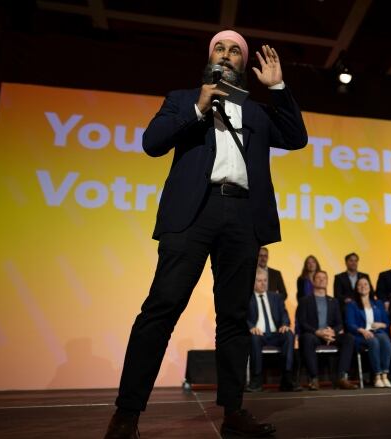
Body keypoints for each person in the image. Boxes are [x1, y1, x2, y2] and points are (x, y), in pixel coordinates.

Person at [105, 30, 308, 439]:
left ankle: (233, 410)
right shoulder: (181, 98)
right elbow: (152, 144)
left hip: (242, 216)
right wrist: (197, 109)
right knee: (161, 309)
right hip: (193, 214)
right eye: (221, 47)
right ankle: (126, 413)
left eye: (236, 50)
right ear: (209, 55)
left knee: (233, 318)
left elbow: (297, 138)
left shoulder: (256, 111)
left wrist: (280, 88)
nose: (228, 54)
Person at [295, 271, 358, 390]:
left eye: (324, 278)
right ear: (313, 281)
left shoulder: (333, 301)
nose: (321, 280)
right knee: (307, 338)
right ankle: (314, 379)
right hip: (313, 335)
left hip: (330, 336)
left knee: (349, 338)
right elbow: (302, 322)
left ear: (327, 281)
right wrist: (318, 332)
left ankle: (342, 377)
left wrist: (332, 331)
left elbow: (340, 323)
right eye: (318, 278)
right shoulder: (305, 300)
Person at [246, 269, 299, 392]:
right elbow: (243, 317)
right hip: (258, 334)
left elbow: (284, 314)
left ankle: (287, 379)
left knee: (289, 334)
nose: (263, 283)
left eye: (265, 280)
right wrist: (251, 327)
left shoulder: (276, 297)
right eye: (259, 281)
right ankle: (256, 381)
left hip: (276, 333)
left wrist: (285, 324)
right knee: (254, 338)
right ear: (253, 283)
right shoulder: (248, 298)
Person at [345, 277, 391, 388]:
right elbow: (349, 323)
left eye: (366, 284)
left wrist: (380, 324)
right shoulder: (352, 305)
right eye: (360, 285)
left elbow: (387, 323)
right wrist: (362, 330)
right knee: (374, 341)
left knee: (385, 340)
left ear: (370, 287)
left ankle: (385, 375)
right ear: (356, 288)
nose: (363, 286)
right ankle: (377, 376)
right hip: (360, 335)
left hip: (378, 332)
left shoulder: (378, 303)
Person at [334, 252, 371, 324]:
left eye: (355, 261)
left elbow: (371, 292)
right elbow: (337, 295)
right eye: (351, 260)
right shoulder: (339, 277)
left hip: (363, 305)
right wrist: (345, 299)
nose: (354, 263)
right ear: (346, 262)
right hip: (347, 306)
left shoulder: (364, 276)